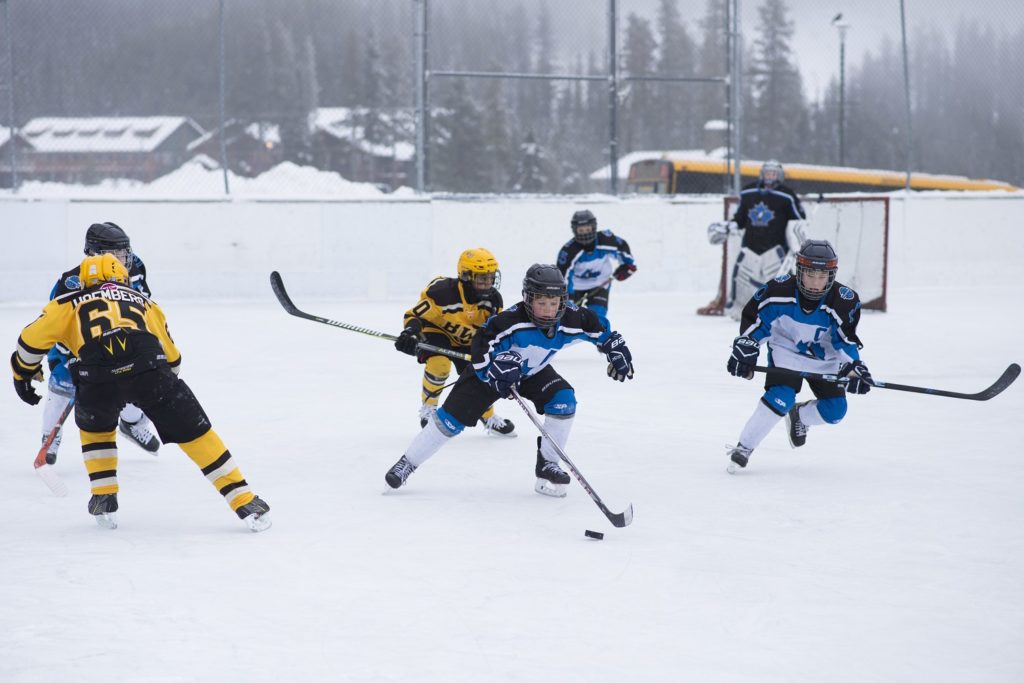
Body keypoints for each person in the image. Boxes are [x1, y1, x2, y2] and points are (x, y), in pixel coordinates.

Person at [11, 253, 271, 531]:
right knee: (195, 433)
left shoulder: (65, 303)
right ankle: (244, 499)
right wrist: (163, 393)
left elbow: (29, 342)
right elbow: (173, 359)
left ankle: (104, 496)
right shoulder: (147, 303)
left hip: (95, 376)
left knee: (96, 430)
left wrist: (23, 373)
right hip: (148, 368)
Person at [385, 264, 635, 497]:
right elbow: (481, 347)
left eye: (554, 302)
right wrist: (492, 373)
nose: (549, 309)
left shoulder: (572, 318)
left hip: (533, 372)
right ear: (528, 299)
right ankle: (408, 462)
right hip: (492, 373)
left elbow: (601, 332)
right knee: (449, 422)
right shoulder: (507, 322)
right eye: (542, 303)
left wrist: (615, 349)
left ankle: (548, 463)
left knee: (563, 400)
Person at [723, 240, 873, 473]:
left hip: (825, 359)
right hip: (787, 352)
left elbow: (845, 340)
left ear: (831, 276)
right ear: (799, 271)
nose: (815, 283)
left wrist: (854, 367)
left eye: (822, 276)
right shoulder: (777, 291)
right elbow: (756, 324)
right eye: (810, 275)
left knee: (835, 411)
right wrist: (747, 348)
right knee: (780, 397)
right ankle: (744, 447)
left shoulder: (844, 301)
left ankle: (800, 416)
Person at [40, 222, 161, 466]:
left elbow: (143, 304)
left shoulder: (135, 266)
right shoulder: (72, 282)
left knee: (136, 379)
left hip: (121, 341)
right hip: (76, 348)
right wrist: (75, 357)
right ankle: (49, 436)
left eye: (124, 252)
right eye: (116, 254)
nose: (124, 259)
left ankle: (131, 423)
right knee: (63, 383)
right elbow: (56, 325)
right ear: (95, 254)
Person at [394, 247, 515, 436]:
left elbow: (493, 333)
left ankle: (487, 415)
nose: (488, 282)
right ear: (466, 276)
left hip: (467, 339)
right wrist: (410, 333)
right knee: (439, 364)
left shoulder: (493, 301)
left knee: (479, 374)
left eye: (491, 277)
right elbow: (414, 315)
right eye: (482, 278)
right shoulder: (441, 293)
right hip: (436, 331)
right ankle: (429, 407)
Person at [703, 160, 808, 320]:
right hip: (750, 246)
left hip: (776, 248)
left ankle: (784, 311)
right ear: (761, 174)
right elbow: (740, 219)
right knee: (741, 279)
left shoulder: (786, 195)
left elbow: (799, 219)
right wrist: (728, 226)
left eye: (773, 173)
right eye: (767, 173)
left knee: (779, 282)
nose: (769, 177)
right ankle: (741, 310)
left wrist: (797, 243)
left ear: (779, 176)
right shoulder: (748, 193)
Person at [556, 209, 636, 333]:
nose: (585, 234)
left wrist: (627, 266)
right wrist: (568, 297)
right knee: (568, 320)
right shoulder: (569, 251)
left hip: (600, 283)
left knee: (598, 317)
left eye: (587, 229)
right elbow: (563, 277)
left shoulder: (606, 240)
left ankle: (603, 340)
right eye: (581, 230)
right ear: (574, 230)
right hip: (576, 287)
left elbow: (622, 248)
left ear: (594, 227)